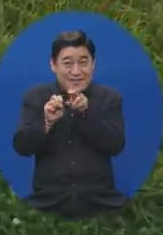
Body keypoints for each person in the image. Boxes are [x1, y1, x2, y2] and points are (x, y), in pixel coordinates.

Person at [12, 30, 127, 220]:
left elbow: (116, 146)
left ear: (93, 64)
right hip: (47, 201)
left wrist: (86, 114)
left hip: (100, 200)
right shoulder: (35, 97)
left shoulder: (110, 98)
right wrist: (47, 122)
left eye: (83, 62)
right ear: (53, 65)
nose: (76, 71)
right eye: (67, 63)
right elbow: (22, 147)